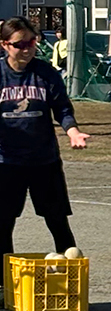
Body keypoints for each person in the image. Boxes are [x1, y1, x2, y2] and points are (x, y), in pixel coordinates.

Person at [0, 16, 89, 259]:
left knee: (57, 220)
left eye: (31, 42)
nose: (27, 48)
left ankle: (69, 281)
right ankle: (4, 288)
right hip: (6, 163)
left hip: (44, 160)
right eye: (20, 44)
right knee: (3, 223)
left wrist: (73, 131)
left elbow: (62, 108)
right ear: (4, 44)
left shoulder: (45, 73)